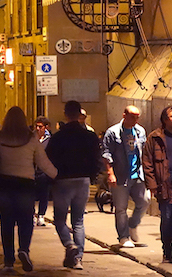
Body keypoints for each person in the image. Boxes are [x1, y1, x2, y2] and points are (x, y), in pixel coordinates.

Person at [0, 107, 58, 272]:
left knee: (6, 224)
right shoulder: (31, 139)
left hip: (2, 184)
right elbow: (43, 163)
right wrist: (56, 175)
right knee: (26, 220)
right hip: (25, 185)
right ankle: (23, 249)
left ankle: (8, 261)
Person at [46, 100, 102, 270]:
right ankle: (78, 259)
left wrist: (52, 178)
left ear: (65, 114)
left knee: (60, 219)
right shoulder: (90, 136)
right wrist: (92, 176)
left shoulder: (58, 137)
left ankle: (70, 244)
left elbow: (49, 158)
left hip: (63, 180)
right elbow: (96, 158)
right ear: (79, 114)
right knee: (78, 220)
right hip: (83, 179)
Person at [142, 106, 172, 265]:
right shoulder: (155, 138)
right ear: (165, 120)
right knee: (168, 219)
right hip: (165, 184)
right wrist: (152, 185)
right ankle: (167, 252)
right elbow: (147, 163)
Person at [102, 105, 150, 248]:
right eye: (132, 116)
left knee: (144, 201)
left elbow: (145, 151)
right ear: (124, 115)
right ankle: (123, 236)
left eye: (137, 117)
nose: (135, 120)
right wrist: (110, 173)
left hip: (138, 174)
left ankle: (132, 224)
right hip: (121, 174)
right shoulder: (113, 132)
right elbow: (106, 154)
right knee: (121, 208)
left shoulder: (140, 131)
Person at [33, 116, 53, 226]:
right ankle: (32, 214)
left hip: (44, 172)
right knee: (30, 194)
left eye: (40, 126)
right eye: (36, 126)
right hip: (32, 170)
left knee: (43, 195)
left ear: (46, 127)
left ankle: (41, 215)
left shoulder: (50, 140)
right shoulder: (31, 138)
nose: (37, 128)